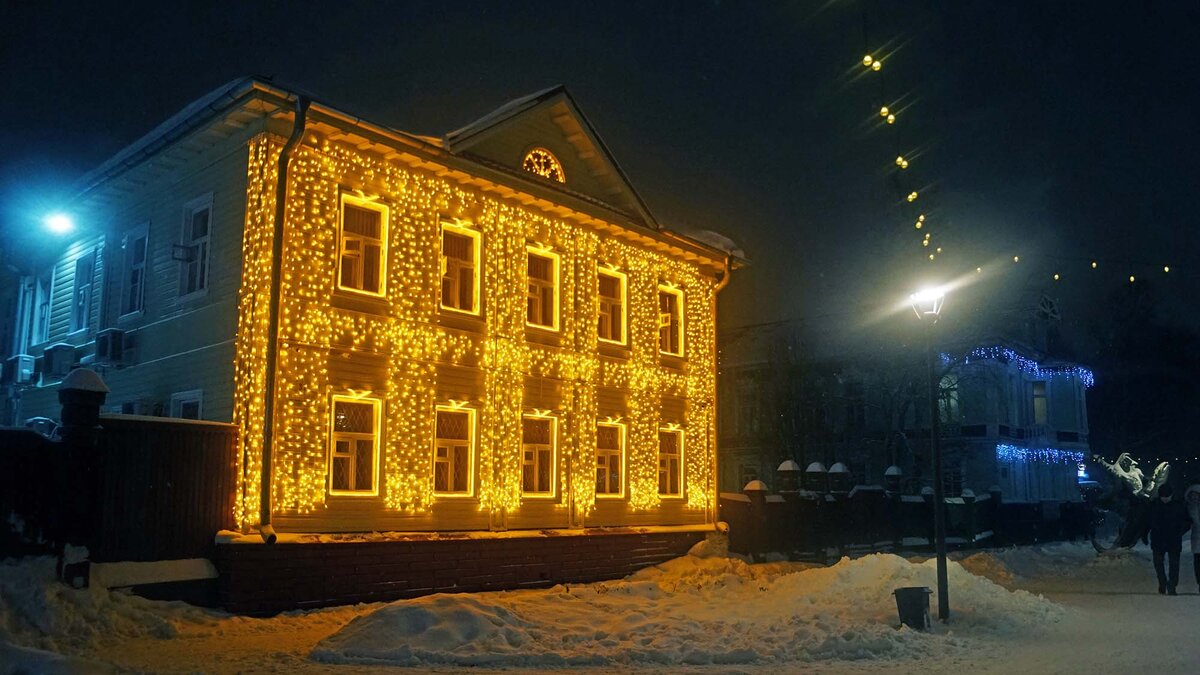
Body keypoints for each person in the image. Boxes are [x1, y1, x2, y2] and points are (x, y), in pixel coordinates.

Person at [1147, 483, 1191, 595]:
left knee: (1173, 565)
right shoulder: (1154, 506)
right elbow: (1147, 522)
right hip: (1160, 539)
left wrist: (1179, 531)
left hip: (1172, 539)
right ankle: (1163, 583)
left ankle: (1171, 585)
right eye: (1163, 496)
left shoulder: (1178, 505)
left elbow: (1187, 521)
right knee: (1160, 564)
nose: (1165, 498)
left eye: (1167, 496)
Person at [1185, 480, 1200, 594]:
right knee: (1197, 562)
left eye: (1197, 495)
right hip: (1196, 537)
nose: (1195, 497)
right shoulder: (1188, 507)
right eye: (1193, 495)